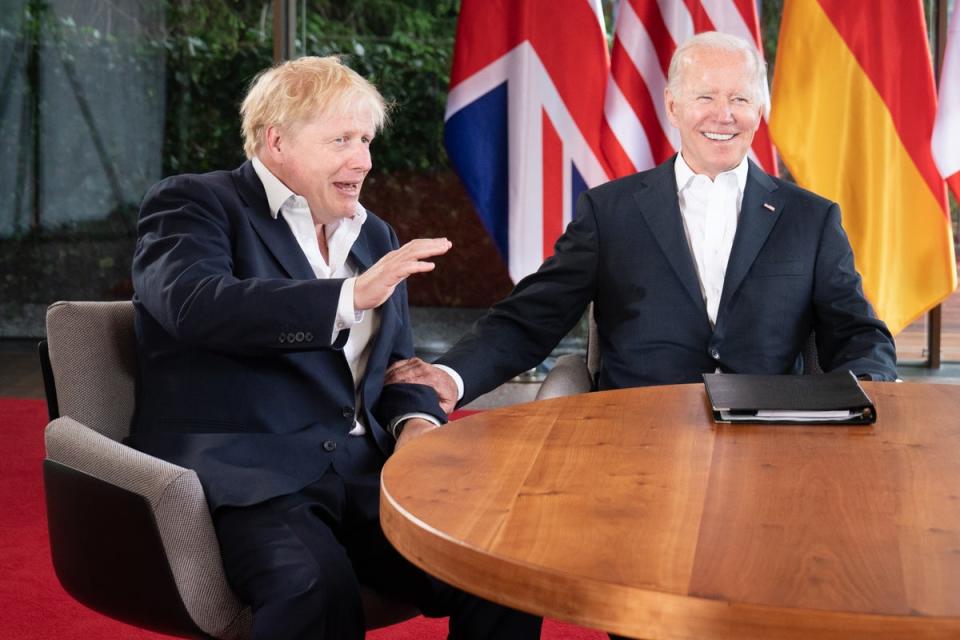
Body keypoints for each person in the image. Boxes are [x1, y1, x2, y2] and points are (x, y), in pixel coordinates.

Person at [127, 56, 541, 640]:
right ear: (276, 141)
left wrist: (416, 422)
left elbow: (396, 364)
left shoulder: (374, 234)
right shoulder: (194, 203)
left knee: (507, 562)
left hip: (367, 470)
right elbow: (197, 306)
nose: (364, 160)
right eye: (341, 139)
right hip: (251, 472)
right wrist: (347, 296)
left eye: (366, 140)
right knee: (312, 586)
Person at [386, 31, 896, 411]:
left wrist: (867, 395)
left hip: (769, 439)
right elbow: (532, 317)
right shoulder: (610, 212)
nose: (724, 115)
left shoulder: (811, 217)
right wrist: (450, 376)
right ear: (672, 106)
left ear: (759, 110)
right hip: (634, 435)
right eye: (705, 97)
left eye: (740, 98)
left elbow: (857, 332)